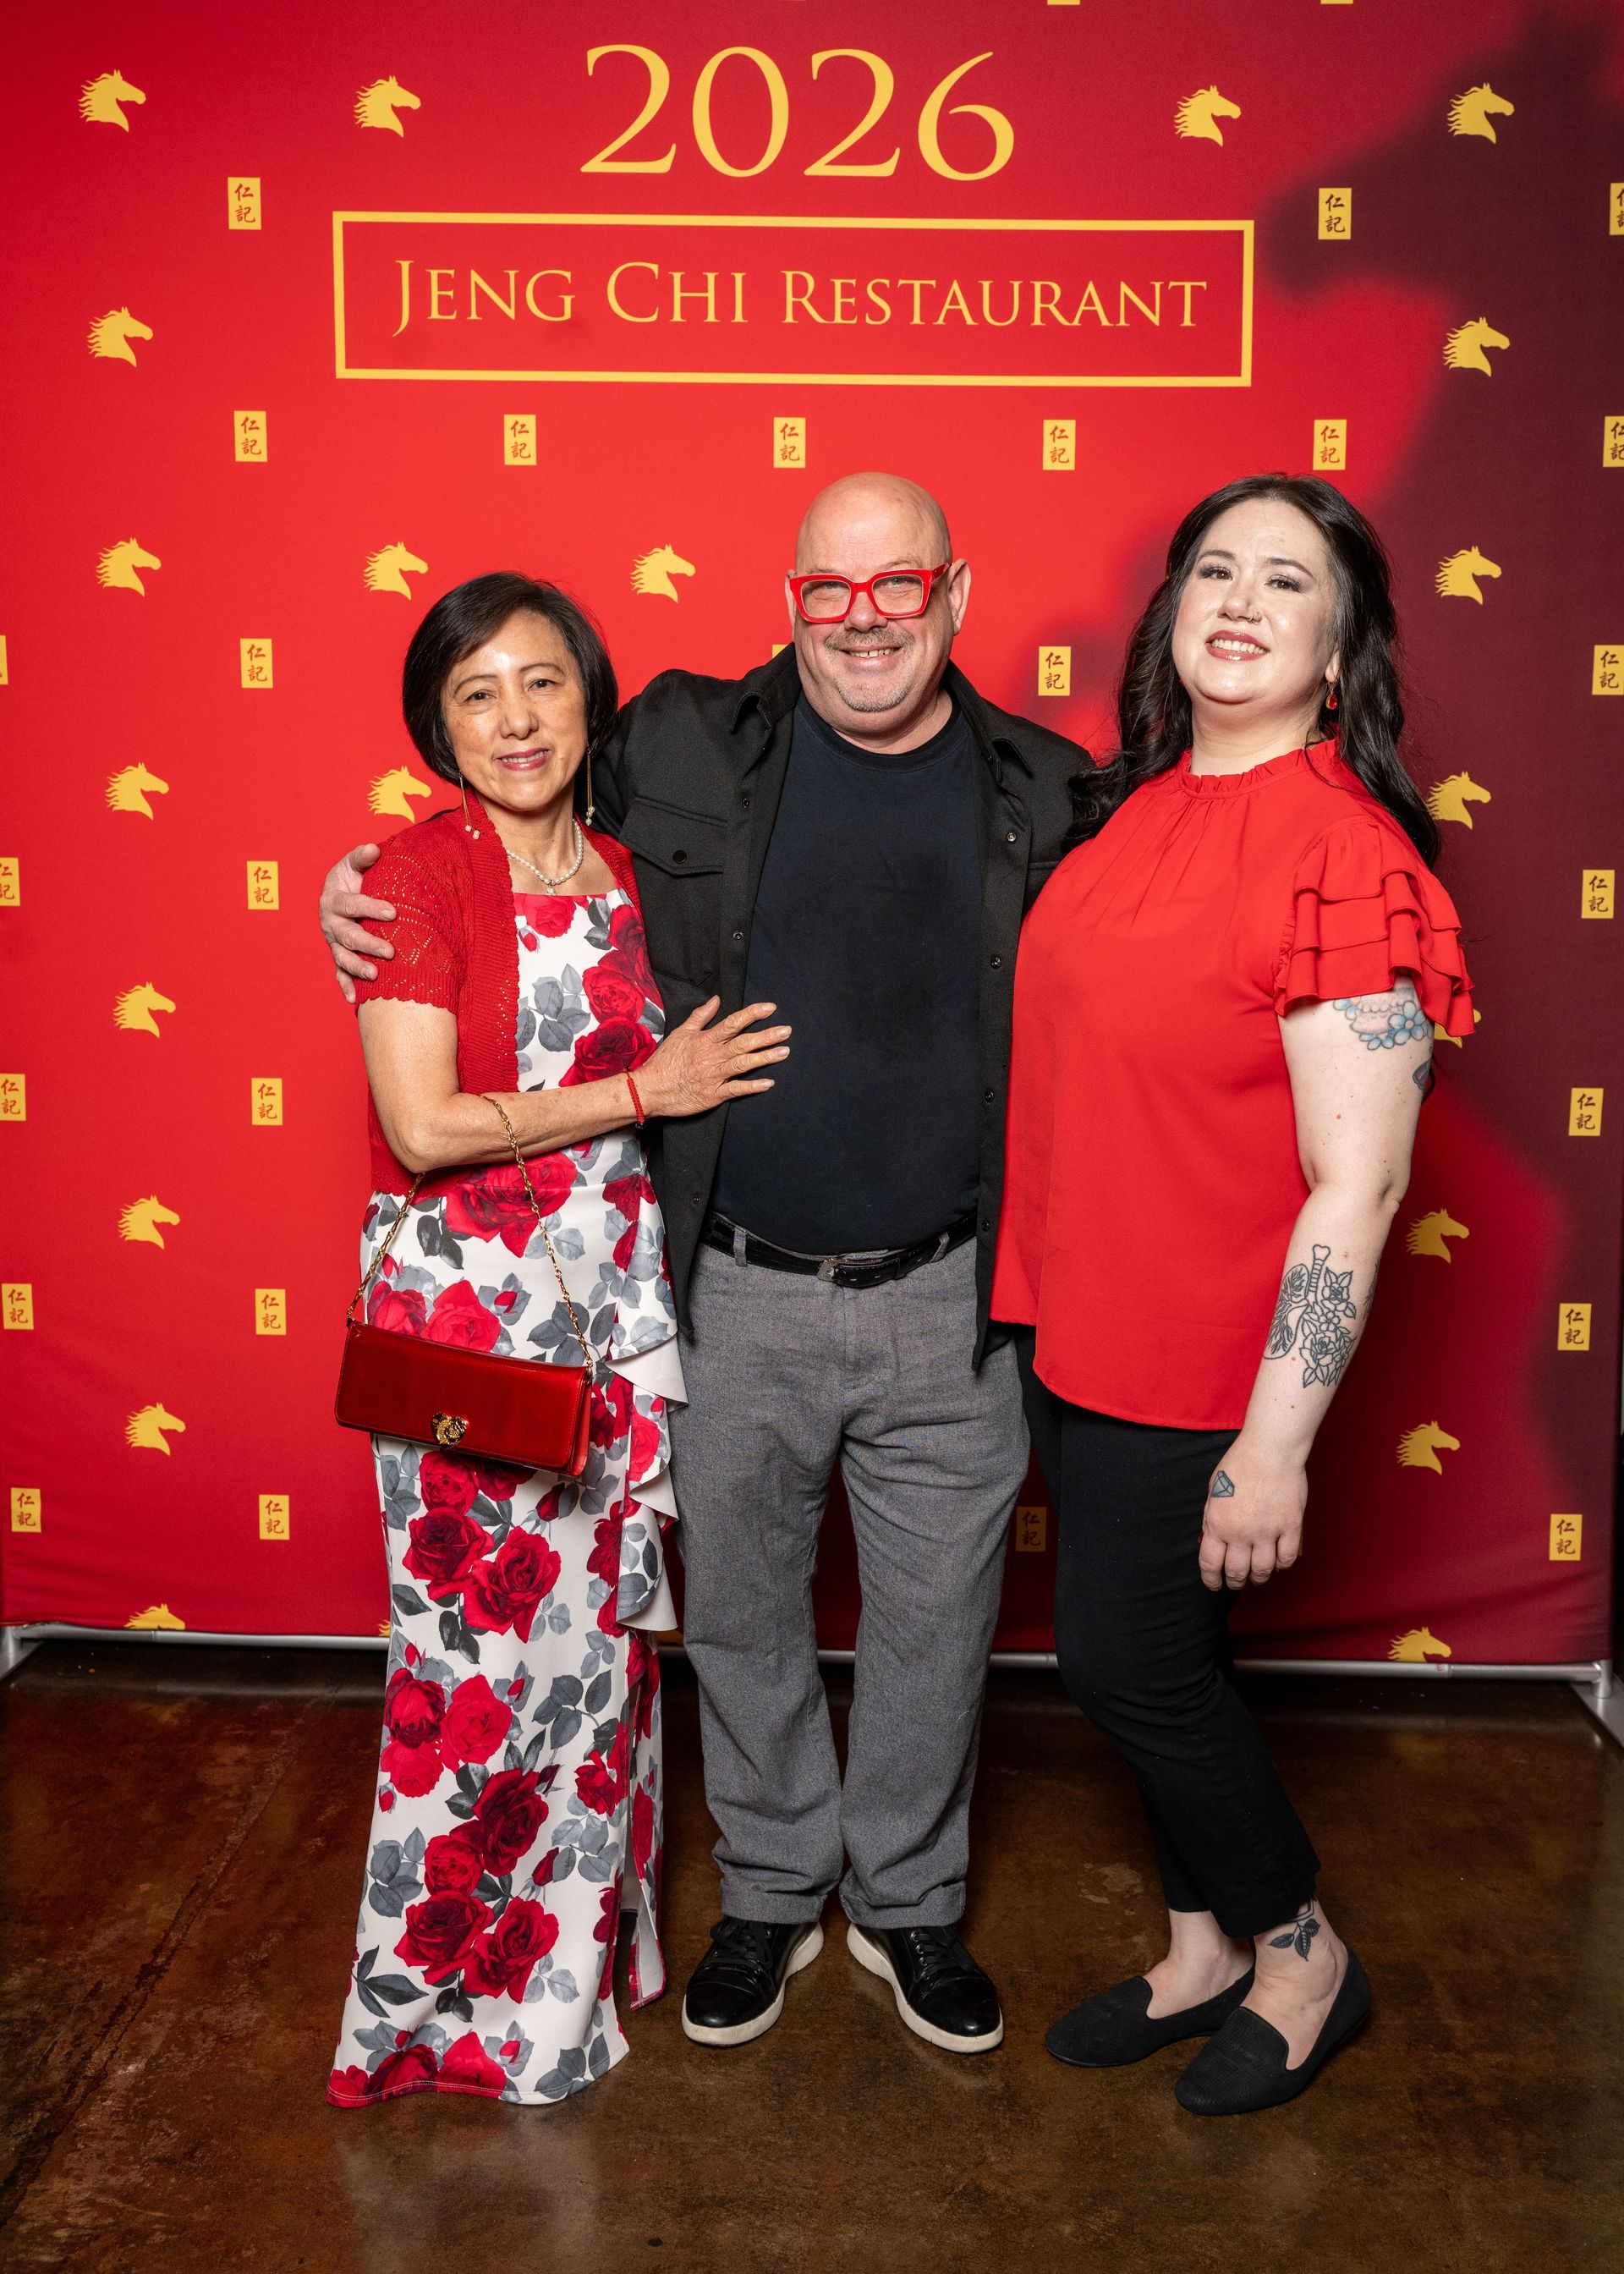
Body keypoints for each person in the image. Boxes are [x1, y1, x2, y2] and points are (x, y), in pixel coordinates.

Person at [321, 475, 1080, 2056]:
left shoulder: (1053, 786)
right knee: (734, 1613)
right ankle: (775, 1890)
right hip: (724, 1284)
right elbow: (493, 809)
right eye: (830, 589)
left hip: (952, 1295)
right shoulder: (680, 739)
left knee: (939, 1625)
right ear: (788, 596)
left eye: (899, 584)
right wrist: (362, 894)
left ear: (956, 590)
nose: (865, 618)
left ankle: (912, 1907)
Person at [993, 475, 1474, 2114]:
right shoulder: (1137, 807)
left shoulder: (1341, 851)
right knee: (1143, 1661)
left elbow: (1364, 1178)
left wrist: (1276, 1445)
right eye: (1214, 568)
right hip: (1076, 1329)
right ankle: (1201, 1945)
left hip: (1202, 1364)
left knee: (1133, 1671)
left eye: (1289, 579)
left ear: (1340, 654)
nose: (1242, 599)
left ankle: (1299, 1946)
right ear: (1173, 611)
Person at [326, 573, 788, 2107]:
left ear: (593, 699)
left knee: (595, 1671)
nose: (515, 718)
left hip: (606, 1314)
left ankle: (572, 1985)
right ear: (436, 724)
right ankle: (446, 2016)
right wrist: (643, 1094)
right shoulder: (413, 874)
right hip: (474, 1322)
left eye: (541, 683)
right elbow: (422, 1121)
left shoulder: (629, 863)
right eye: (476, 692)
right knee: (476, 1680)